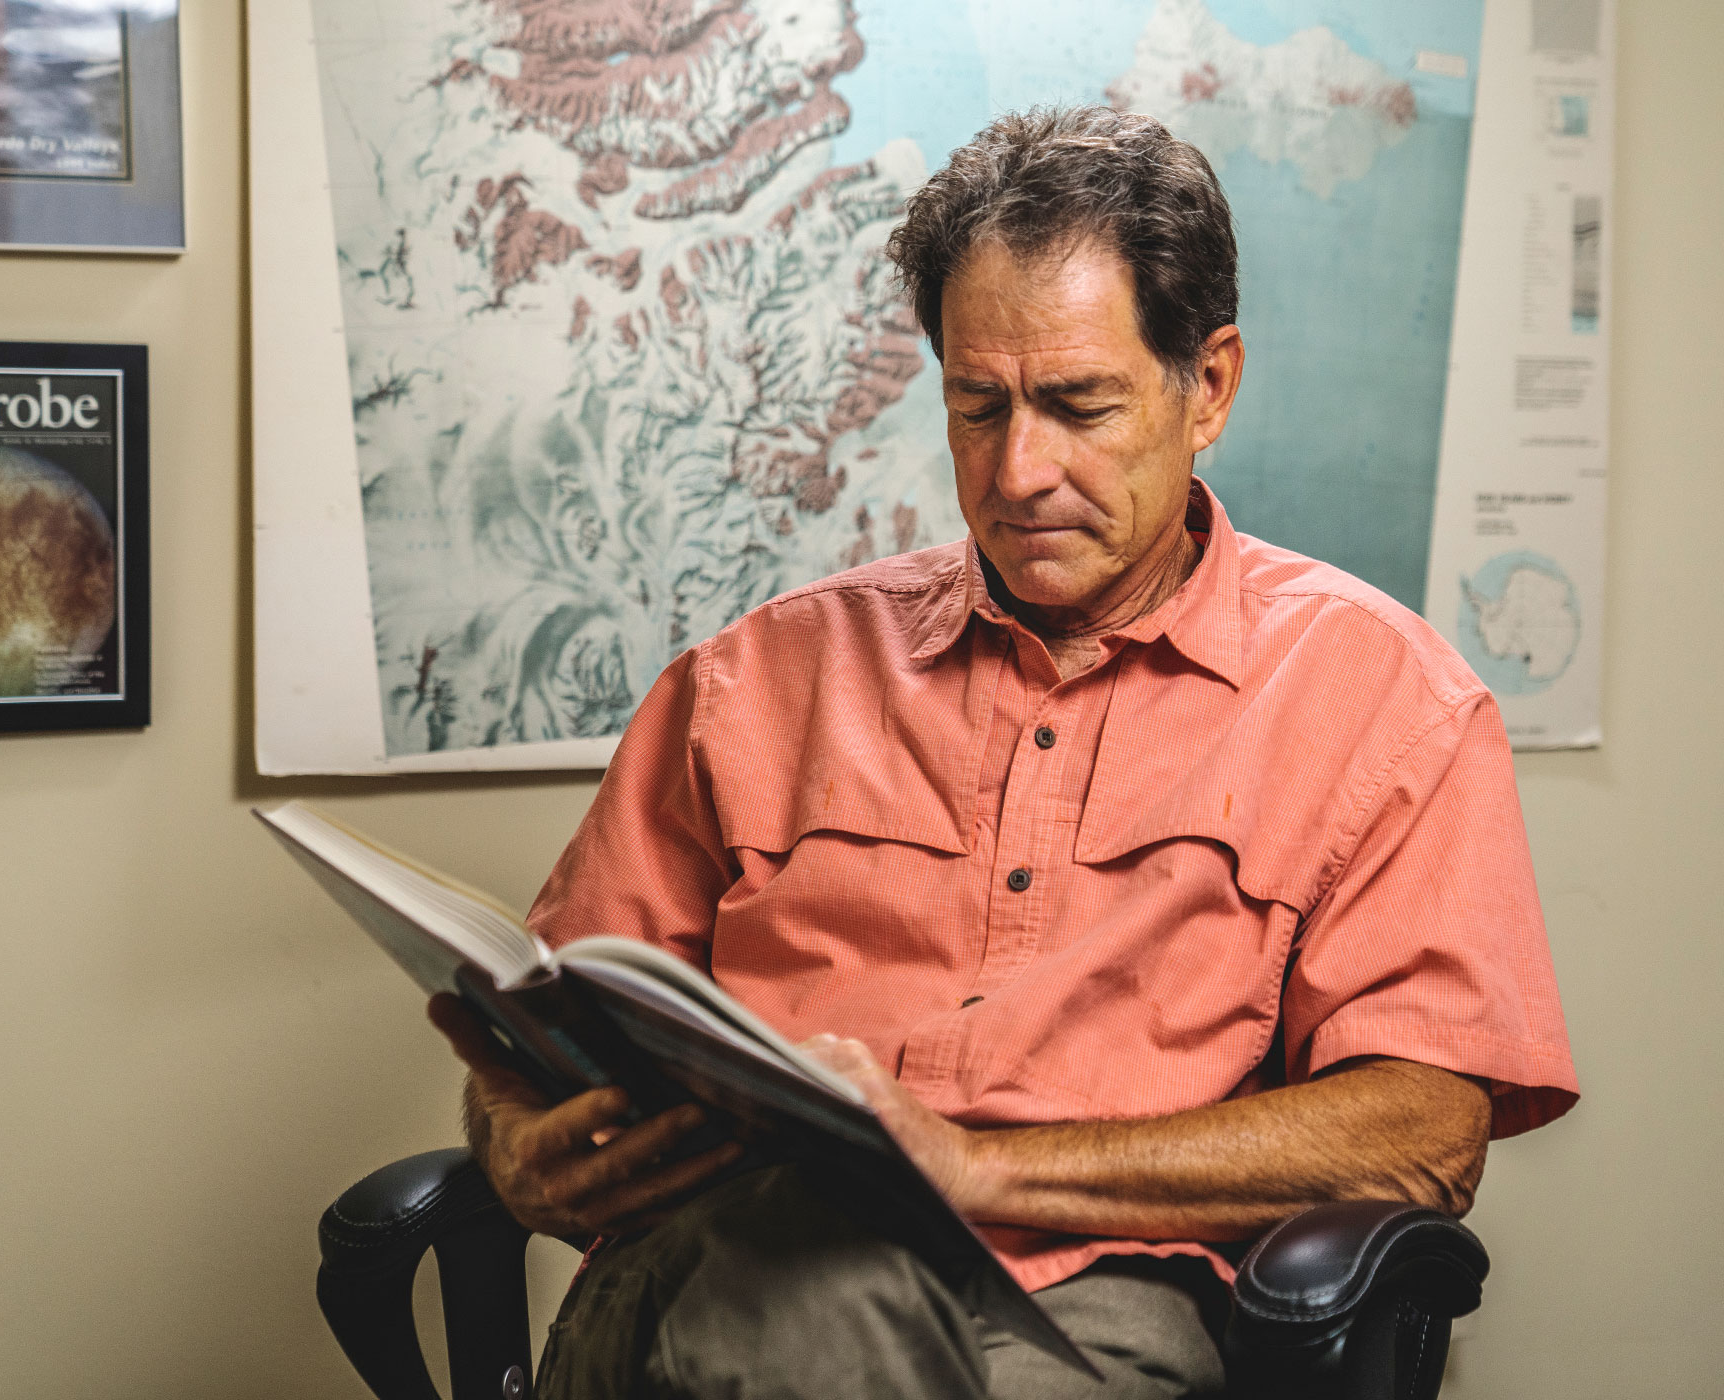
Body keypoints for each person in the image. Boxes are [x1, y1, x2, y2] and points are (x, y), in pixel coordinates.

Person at [429, 105, 1578, 1399]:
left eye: (1079, 405)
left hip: (1085, 1314)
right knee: (801, 1278)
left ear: (1209, 386)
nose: (1019, 470)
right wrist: (516, 1146)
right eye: (978, 407)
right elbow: (544, 1036)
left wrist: (982, 1166)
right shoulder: (748, 686)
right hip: (710, 1266)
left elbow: (1425, 1133)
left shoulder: (1389, 703)